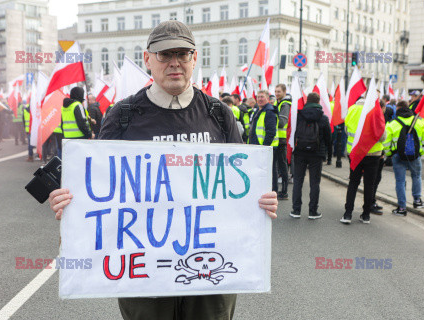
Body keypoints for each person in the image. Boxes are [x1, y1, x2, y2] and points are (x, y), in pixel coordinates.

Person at [49, 20, 277, 320]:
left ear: (194, 58)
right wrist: (71, 204)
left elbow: (239, 186)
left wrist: (261, 203)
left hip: (211, 275)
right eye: (164, 55)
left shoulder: (219, 115)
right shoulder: (122, 116)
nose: (174, 63)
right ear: (147, 59)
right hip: (144, 275)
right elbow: (99, 187)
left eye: (182, 54)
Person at [339, 101, 387, 224]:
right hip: (373, 154)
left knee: (353, 183)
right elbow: (383, 136)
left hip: (355, 152)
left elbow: (346, 129)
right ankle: (366, 215)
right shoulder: (376, 110)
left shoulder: (352, 109)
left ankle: (347, 214)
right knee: (369, 185)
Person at [383, 100, 424, 216]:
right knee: (416, 176)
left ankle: (401, 208)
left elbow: (385, 143)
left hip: (398, 156)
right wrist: (420, 153)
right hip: (415, 156)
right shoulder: (419, 122)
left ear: (398, 109)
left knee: (400, 181)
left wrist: (390, 154)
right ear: (408, 108)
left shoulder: (392, 123)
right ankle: (417, 201)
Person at [290, 92, 332, 219]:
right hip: (317, 153)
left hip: (300, 152)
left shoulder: (299, 116)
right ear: (319, 102)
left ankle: (296, 210)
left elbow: (293, 133)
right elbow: (328, 139)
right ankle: (313, 211)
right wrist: (329, 156)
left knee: (298, 181)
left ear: (307, 101)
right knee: (315, 183)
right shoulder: (323, 118)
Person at [248, 90, 279, 194]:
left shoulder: (269, 112)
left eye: (262, 97)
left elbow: (271, 132)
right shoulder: (258, 110)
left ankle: (273, 192)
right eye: (258, 97)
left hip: (266, 148)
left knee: (270, 171)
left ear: (268, 99)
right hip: (257, 147)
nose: (260, 99)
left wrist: (264, 147)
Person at [273, 84, 291, 200]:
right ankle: (277, 190)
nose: (276, 93)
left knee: (283, 166)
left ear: (284, 92)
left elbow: (282, 122)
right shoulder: (277, 103)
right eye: (275, 91)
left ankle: (284, 192)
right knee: (278, 165)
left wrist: (270, 121)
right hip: (277, 139)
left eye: (279, 91)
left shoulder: (285, 104)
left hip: (282, 139)